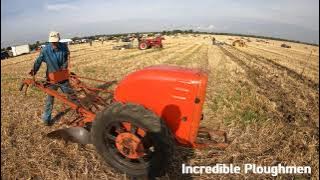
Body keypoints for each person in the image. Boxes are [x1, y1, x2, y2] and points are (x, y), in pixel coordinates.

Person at [29, 31, 77, 126]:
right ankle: (46, 119)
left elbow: (67, 57)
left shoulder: (64, 47)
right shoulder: (45, 50)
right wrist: (34, 71)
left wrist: (64, 67)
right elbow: (38, 61)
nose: (54, 43)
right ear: (50, 41)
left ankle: (80, 111)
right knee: (50, 99)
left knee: (71, 94)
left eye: (55, 41)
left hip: (63, 76)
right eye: (52, 42)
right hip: (51, 79)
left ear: (59, 40)